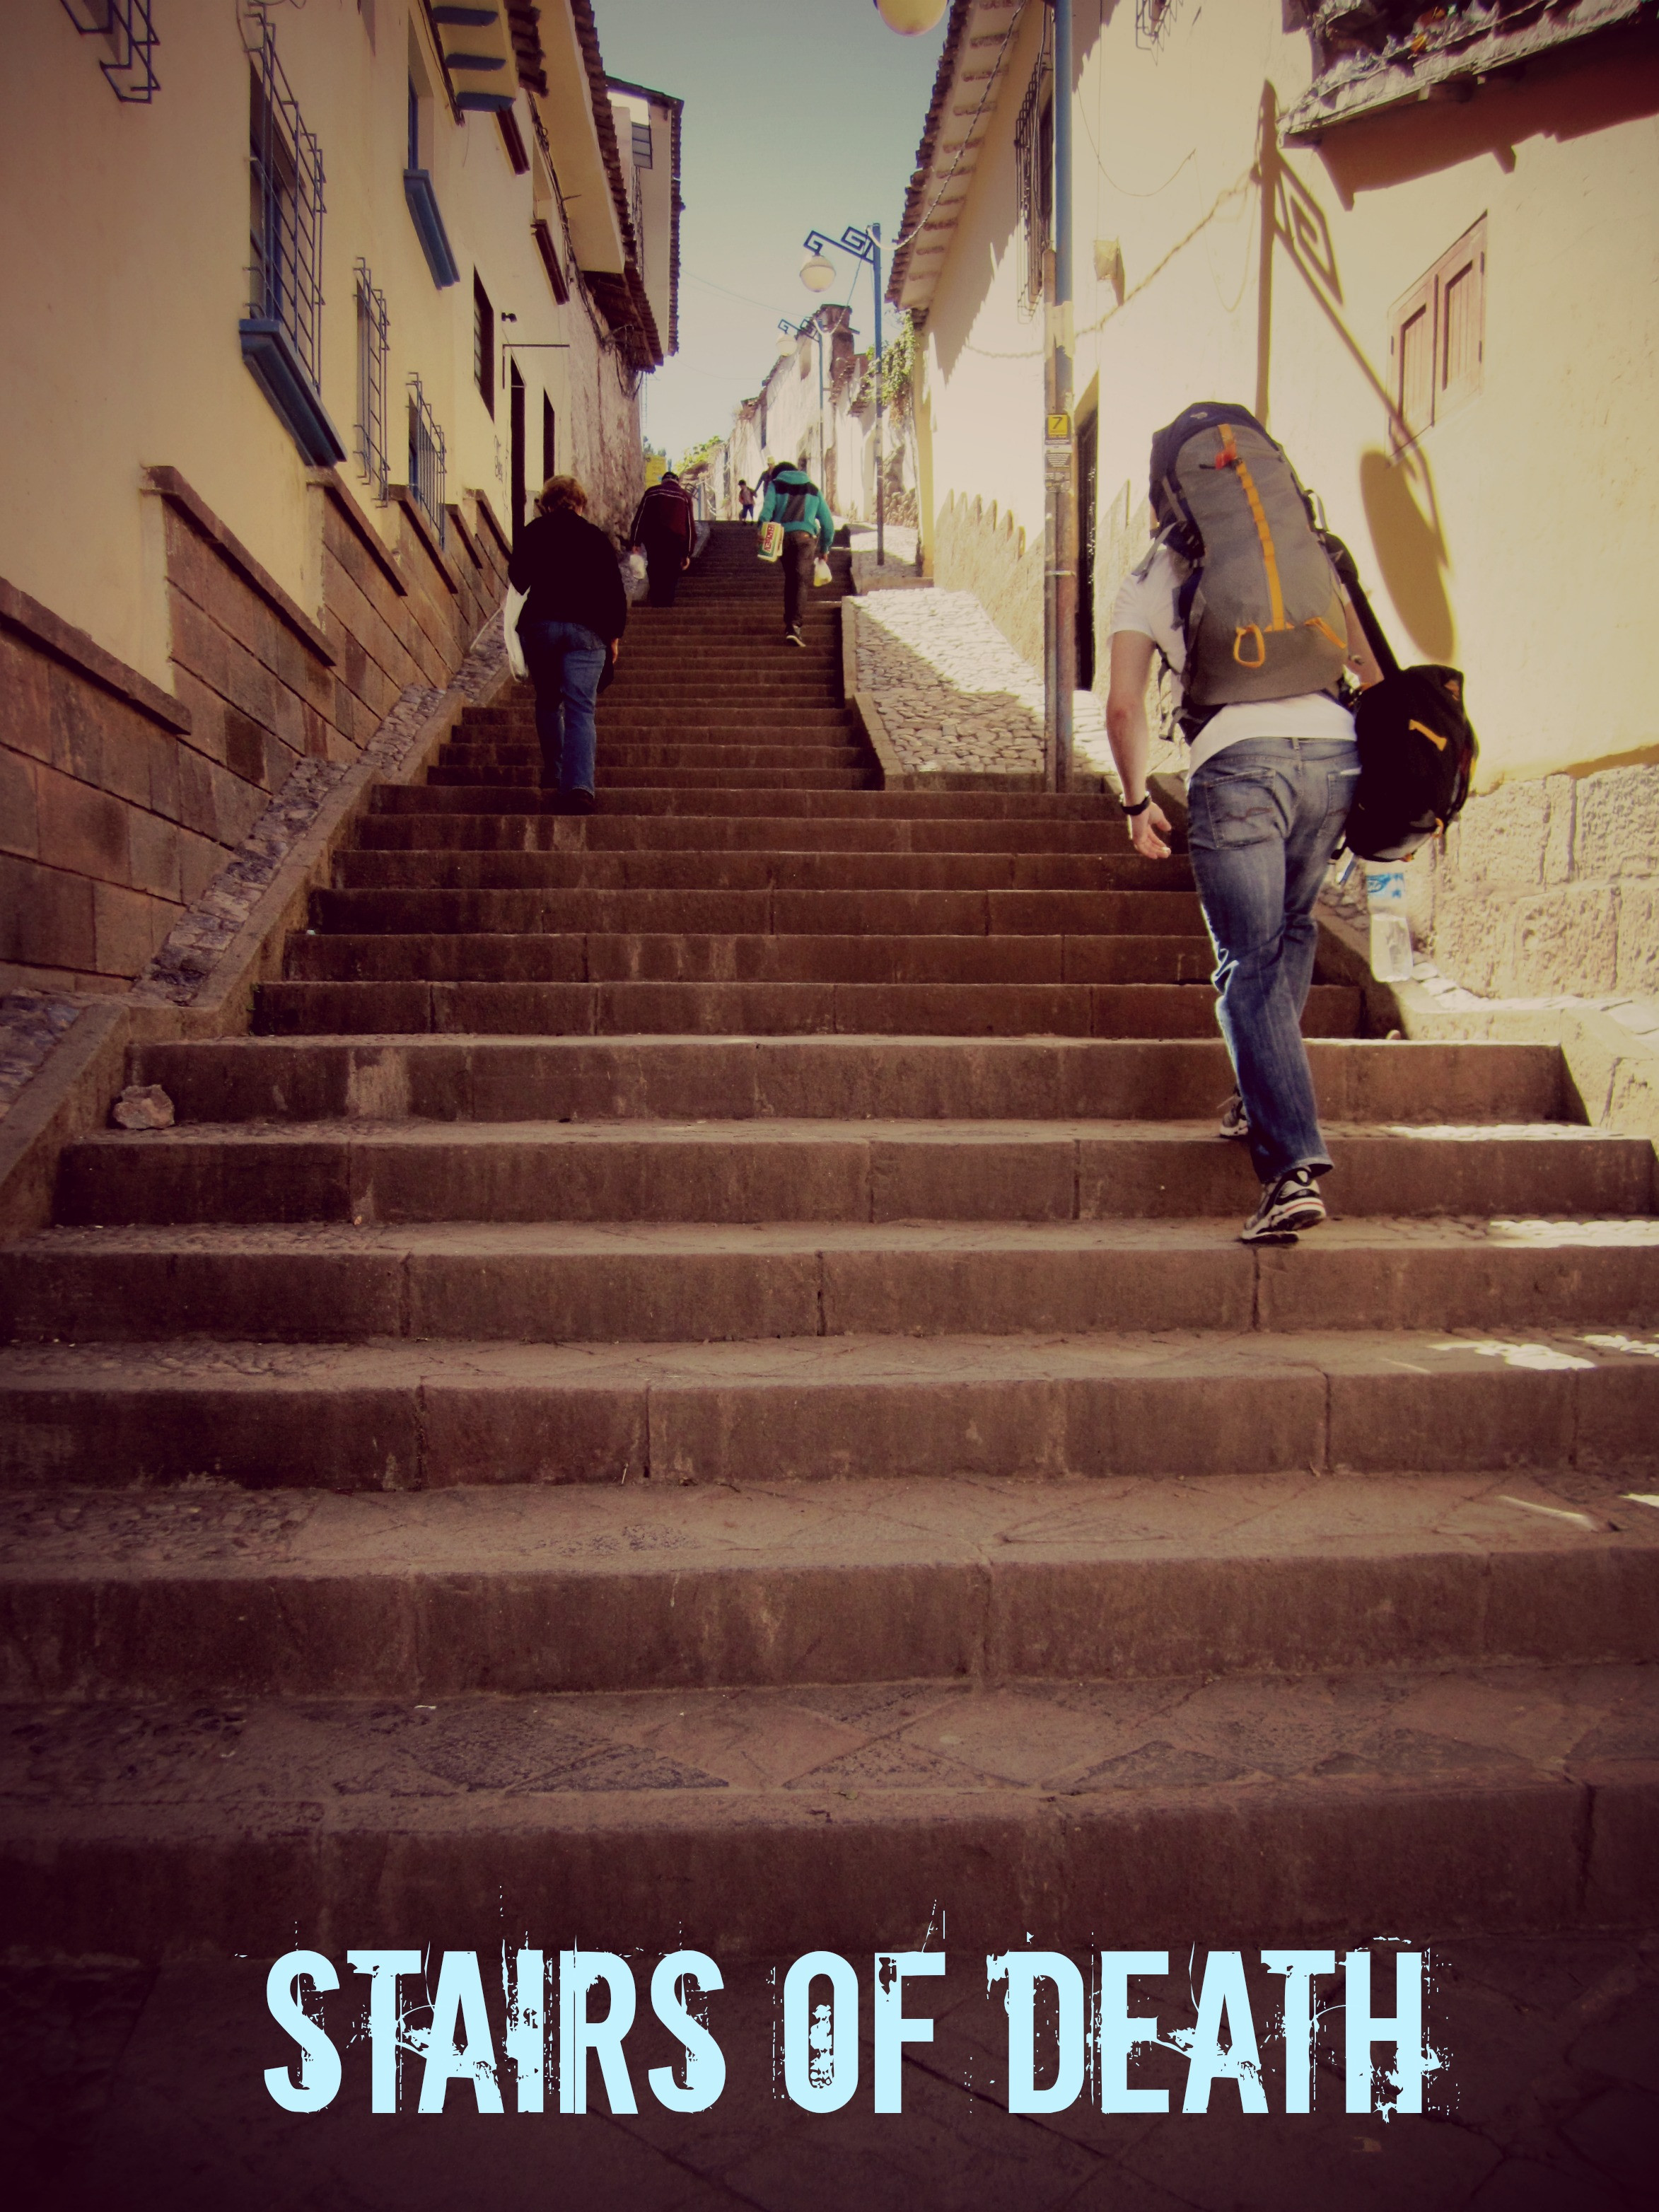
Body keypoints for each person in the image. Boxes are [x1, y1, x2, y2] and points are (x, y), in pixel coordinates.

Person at [1105, 426, 1381, 1245]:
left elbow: (1122, 707)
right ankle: (1263, 1094)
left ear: (1168, 494)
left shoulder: (1155, 572)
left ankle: (1290, 1166)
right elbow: (1368, 666)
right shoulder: (1311, 550)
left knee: (1246, 963)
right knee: (1290, 932)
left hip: (1237, 764)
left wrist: (1133, 800)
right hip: (1336, 760)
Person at [506, 474, 627, 814]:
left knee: (547, 700)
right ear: (580, 504)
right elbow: (614, 591)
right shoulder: (595, 537)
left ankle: (555, 771)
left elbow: (518, 577)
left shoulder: (535, 531)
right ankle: (578, 787)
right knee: (580, 709)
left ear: (546, 504)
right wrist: (614, 635)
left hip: (541, 627)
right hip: (587, 632)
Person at [756, 460, 834, 646]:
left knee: (792, 578)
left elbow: (767, 510)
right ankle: (795, 626)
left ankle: (790, 623)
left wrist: (761, 528)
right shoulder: (813, 489)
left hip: (782, 538)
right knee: (800, 581)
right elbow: (828, 523)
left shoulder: (776, 485)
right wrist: (825, 548)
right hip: (806, 539)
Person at [629, 469, 696, 606]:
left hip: (654, 538)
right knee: (671, 572)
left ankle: (657, 602)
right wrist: (687, 553)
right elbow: (689, 526)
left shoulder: (651, 492)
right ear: (677, 482)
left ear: (663, 481)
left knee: (655, 567)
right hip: (675, 541)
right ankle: (667, 603)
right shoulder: (684, 496)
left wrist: (635, 541)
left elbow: (640, 518)